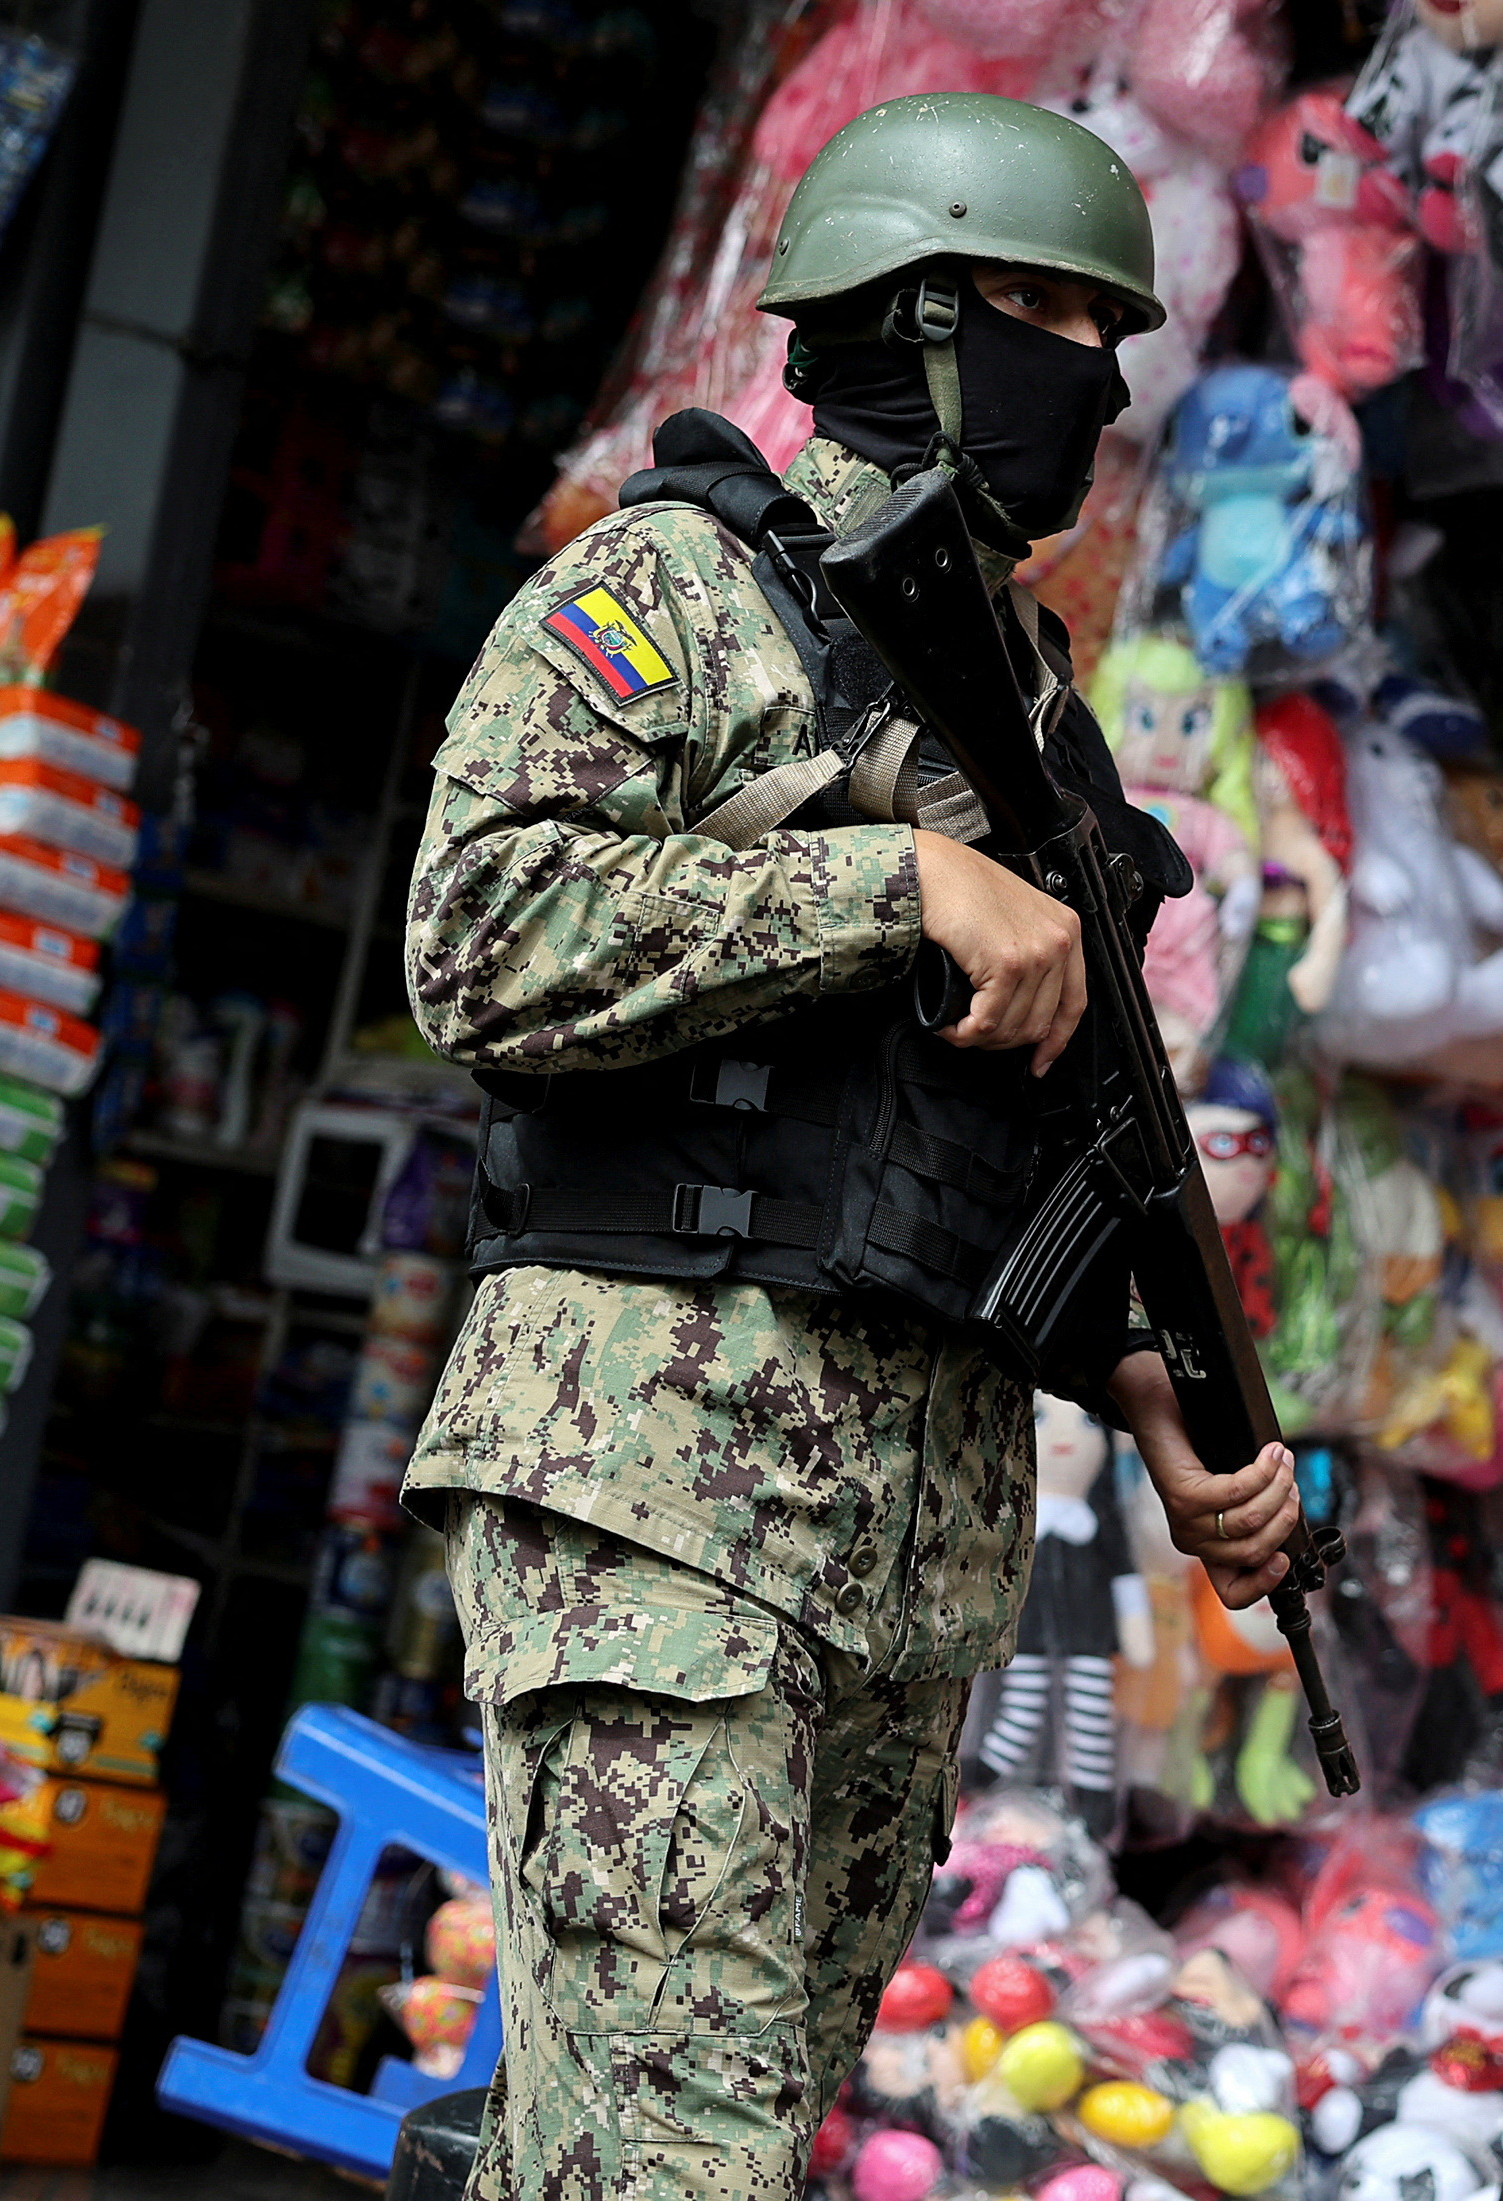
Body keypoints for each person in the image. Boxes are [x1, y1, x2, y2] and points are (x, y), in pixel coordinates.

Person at [396, 95, 1303, 2201]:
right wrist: (891, 887)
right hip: (657, 1509)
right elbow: (477, 936)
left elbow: (1025, 1137)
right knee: (677, 2175)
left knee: (650, 2164)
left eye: (1106, 328)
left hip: (905, 1572)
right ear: (889, 322)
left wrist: (1163, 1397)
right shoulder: (674, 596)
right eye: (1025, 314)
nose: (1079, 371)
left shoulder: (1045, 723)